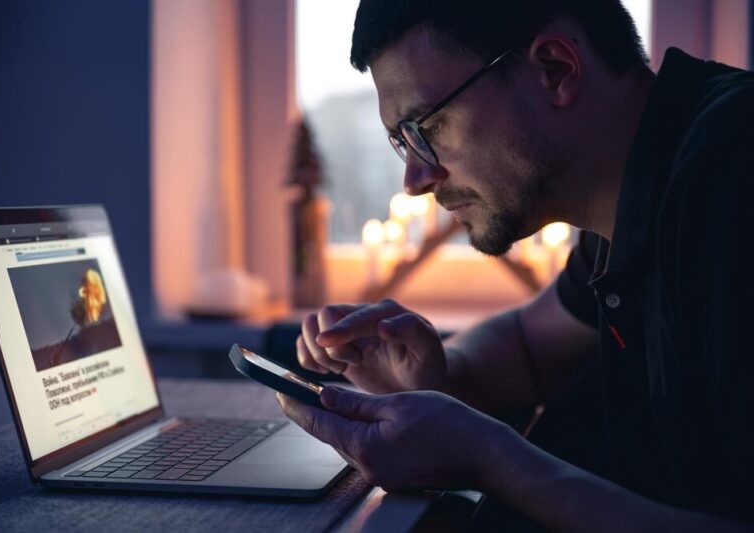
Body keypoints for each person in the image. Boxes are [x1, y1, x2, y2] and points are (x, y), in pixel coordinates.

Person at [276, 0, 754, 529]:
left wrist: (489, 458)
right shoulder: (634, 188)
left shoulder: (732, 174)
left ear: (555, 69)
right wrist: (437, 374)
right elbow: (531, 344)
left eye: (427, 129)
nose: (414, 181)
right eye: (402, 141)